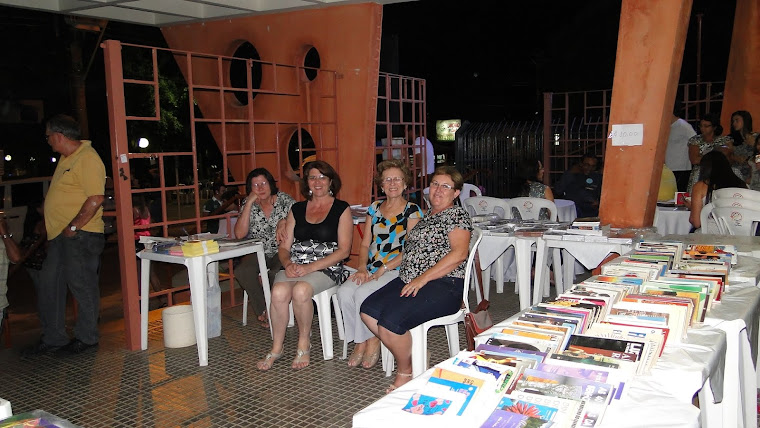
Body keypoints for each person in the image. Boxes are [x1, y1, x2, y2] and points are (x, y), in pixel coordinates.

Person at [361, 166, 473, 392]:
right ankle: (413, 354)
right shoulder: (428, 215)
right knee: (368, 311)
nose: (438, 190)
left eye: (445, 186)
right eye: (434, 184)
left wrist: (421, 280)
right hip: (409, 279)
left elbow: (459, 254)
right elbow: (409, 252)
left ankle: (406, 371)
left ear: (456, 193)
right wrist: (385, 267)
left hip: (444, 285)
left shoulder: (456, 215)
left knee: (390, 323)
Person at [257, 160, 353, 370]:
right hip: (296, 263)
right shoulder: (297, 209)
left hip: (326, 266)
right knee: (279, 292)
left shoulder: (341, 209)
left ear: (330, 182)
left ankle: (304, 343)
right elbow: (284, 247)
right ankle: (276, 347)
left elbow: (344, 251)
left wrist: (310, 268)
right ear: (306, 182)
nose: (317, 182)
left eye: (322, 177)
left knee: (301, 290)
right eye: (312, 177)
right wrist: (287, 263)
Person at [24, 114, 106, 356]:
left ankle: (87, 337)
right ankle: (54, 337)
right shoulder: (65, 158)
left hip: (81, 235)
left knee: (82, 285)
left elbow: (96, 198)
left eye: (49, 136)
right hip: (60, 236)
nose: (48, 140)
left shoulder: (88, 158)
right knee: (49, 284)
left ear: (59, 136)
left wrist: (73, 227)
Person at [337, 160, 423, 369]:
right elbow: (365, 243)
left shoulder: (412, 211)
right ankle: (360, 341)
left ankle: (372, 341)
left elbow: (409, 251)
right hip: (373, 267)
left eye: (397, 179)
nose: (392, 183)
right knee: (345, 293)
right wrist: (362, 268)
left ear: (405, 184)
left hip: (398, 270)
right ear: (382, 185)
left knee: (361, 294)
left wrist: (383, 269)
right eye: (387, 179)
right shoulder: (374, 208)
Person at [232, 168, 295, 328]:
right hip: (258, 252)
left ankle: (275, 311)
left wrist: (284, 221)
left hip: (281, 250)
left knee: (276, 274)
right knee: (242, 271)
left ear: (270, 184)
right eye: (255, 185)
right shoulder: (249, 204)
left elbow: (299, 221)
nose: (260, 188)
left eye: (263, 183)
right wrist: (248, 205)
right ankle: (264, 310)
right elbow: (239, 234)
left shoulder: (284, 200)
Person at [686, 151, 746, 231]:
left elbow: (696, 222)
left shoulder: (701, 186)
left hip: (710, 236)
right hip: (739, 234)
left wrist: (692, 207)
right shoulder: (742, 185)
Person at [686, 113, 733, 193]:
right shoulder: (695, 140)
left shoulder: (725, 140)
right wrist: (716, 154)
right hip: (700, 173)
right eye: (701, 126)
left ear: (714, 127)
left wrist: (704, 156)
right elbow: (694, 160)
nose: (702, 128)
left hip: (720, 173)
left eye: (706, 126)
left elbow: (728, 159)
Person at [554, 153, 602, 218]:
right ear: (581, 164)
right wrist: (569, 174)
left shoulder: (597, 177)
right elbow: (558, 190)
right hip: (573, 211)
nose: (589, 168)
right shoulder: (571, 175)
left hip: (592, 211)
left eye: (593, 166)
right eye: (586, 165)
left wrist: (598, 202)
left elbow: (601, 194)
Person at [666, 111, 697, 192]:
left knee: (678, 193)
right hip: (668, 168)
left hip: (681, 168)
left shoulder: (683, 125)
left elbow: (695, 140)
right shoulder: (666, 126)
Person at [728, 110, 757, 182]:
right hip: (737, 170)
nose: (734, 123)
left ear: (745, 121)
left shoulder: (756, 137)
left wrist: (754, 145)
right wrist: (734, 157)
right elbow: (727, 155)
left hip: (754, 169)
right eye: (733, 121)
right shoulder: (730, 139)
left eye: (737, 120)